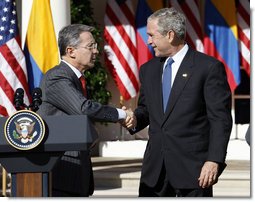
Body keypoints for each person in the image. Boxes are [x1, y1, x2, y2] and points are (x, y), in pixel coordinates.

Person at [123, 7, 232, 197]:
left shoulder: (208, 67)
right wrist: (132, 118)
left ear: (170, 35)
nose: (148, 41)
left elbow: (220, 120)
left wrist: (214, 160)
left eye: (151, 35)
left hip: (194, 171)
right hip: (155, 172)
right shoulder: (148, 70)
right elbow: (146, 110)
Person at [37, 24, 132, 197]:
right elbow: (83, 108)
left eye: (96, 46)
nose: (96, 51)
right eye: (91, 46)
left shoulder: (76, 78)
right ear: (71, 51)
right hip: (63, 171)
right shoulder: (57, 76)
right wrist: (121, 114)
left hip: (77, 172)